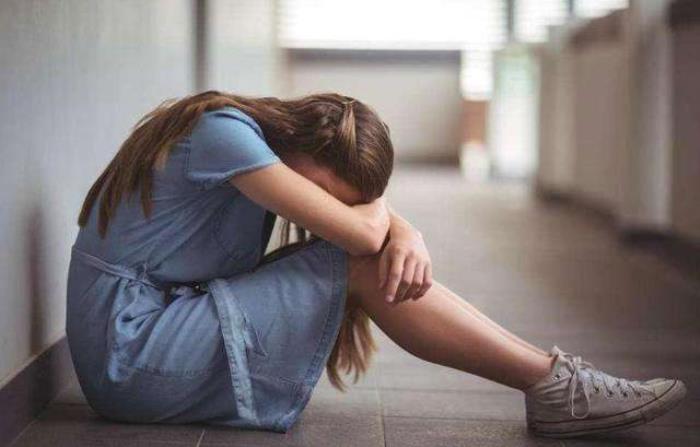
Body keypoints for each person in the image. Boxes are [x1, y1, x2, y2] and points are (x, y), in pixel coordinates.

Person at [66, 90, 686, 438]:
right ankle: (553, 385)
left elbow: (364, 225)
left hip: (157, 329)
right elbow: (364, 232)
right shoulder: (223, 135)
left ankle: (554, 378)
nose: (320, 207)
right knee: (363, 262)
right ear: (302, 149)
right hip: (132, 351)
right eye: (326, 193)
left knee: (365, 255)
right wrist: (400, 228)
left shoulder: (250, 139)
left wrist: (398, 229)